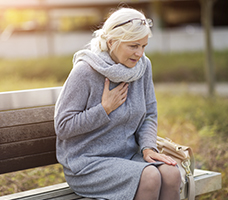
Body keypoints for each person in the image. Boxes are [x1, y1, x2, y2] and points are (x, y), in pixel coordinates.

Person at [54, 7, 181, 200]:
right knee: (149, 177)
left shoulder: (143, 67)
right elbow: (63, 127)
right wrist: (104, 109)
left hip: (128, 156)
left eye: (143, 46)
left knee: (172, 174)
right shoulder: (85, 71)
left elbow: (149, 114)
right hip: (88, 163)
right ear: (112, 42)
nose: (139, 53)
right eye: (133, 46)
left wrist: (147, 147)